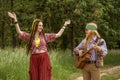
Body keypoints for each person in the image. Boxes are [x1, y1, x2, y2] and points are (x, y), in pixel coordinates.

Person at [8, 12, 71, 80]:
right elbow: (19, 32)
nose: (41, 27)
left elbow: (58, 34)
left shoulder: (45, 36)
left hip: (44, 57)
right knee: (34, 77)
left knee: (43, 77)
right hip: (34, 58)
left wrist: (65, 25)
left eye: (42, 25)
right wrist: (15, 19)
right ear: (35, 26)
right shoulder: (29, 37)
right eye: (39, 25)